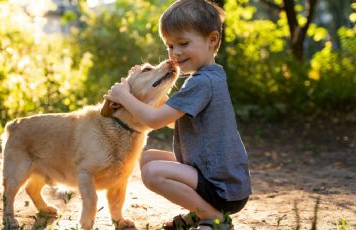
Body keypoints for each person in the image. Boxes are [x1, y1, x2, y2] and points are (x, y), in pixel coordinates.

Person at [104, 0, 251, 229]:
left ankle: (213, 217)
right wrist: (144, 84)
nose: (175, 53)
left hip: (222, 188)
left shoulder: (202, 83)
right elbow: (173, 121)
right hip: (219, 174)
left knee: (152, 173)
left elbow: (154, 120)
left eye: (183, 43)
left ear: (212, 40)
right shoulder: (209, 76)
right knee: (148, 158)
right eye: (170, 46)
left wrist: (124, 97)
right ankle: (197, 213)